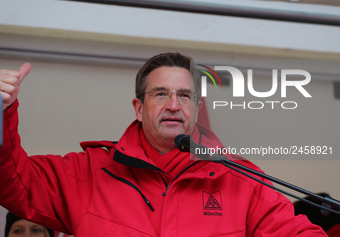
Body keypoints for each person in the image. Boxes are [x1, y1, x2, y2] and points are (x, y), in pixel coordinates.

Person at [0, 52, 327, 236]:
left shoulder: (240, 178)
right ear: (139, 108)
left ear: (196, 108)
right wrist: (2, 112)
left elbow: (296, 233)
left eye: (184, 95)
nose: (174, 105)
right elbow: (13, 181)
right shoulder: (87, 174)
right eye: (161, 94)